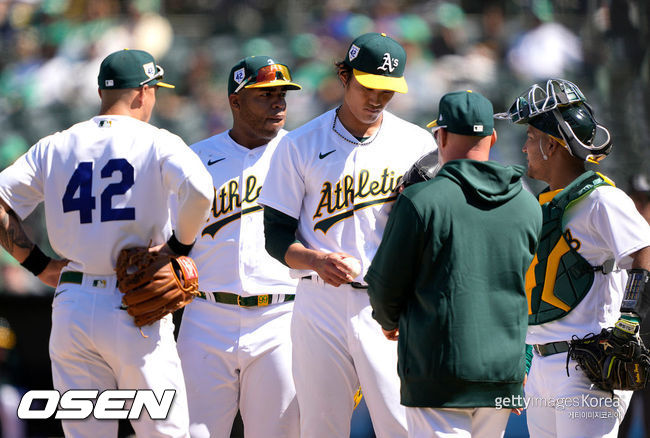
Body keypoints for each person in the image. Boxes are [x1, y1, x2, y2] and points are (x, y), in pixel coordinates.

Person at [0, 48, 213, 437]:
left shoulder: (56, 144)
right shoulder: (157, 141)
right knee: (165, 432)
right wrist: (176, 251)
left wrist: (38, 265)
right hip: (135, 302)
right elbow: (200, 190)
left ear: (102, 92)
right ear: (143, 92)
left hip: (73, 303)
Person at [258, 32, 436, 437]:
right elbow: (275, 234)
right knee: (321, 426)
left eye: (387, 91)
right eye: (368, 87)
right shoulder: (300, 144)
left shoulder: (417, 143)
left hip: (390, 303)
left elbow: (430, 233)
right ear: (344, 75)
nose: (376, 99)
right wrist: (316, 260)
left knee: (402, 424)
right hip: (320, 303)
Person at [365, 90, 542, 437]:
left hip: (438, 368)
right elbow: (533, 292)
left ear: (440, 136)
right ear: (492, 137)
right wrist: (522, 361)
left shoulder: (420, 200)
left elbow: (385, 285)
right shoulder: (527, 204)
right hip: (503, 373)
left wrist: (389, 320)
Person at [495, 78, 650, 437]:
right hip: (542, 366)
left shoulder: (601, 199)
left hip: (587, 365)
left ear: (552, 145)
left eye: (531, 137)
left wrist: (628, 318)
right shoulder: (543, 203)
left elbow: (642, 250)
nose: (525, 148)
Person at [175, 55, 302, 438]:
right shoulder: (194, 159)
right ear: (235, 101)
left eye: (282, 94)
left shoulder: (302, 154)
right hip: (205, 315)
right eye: (264, 95)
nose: (278, 103)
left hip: (281, 317)